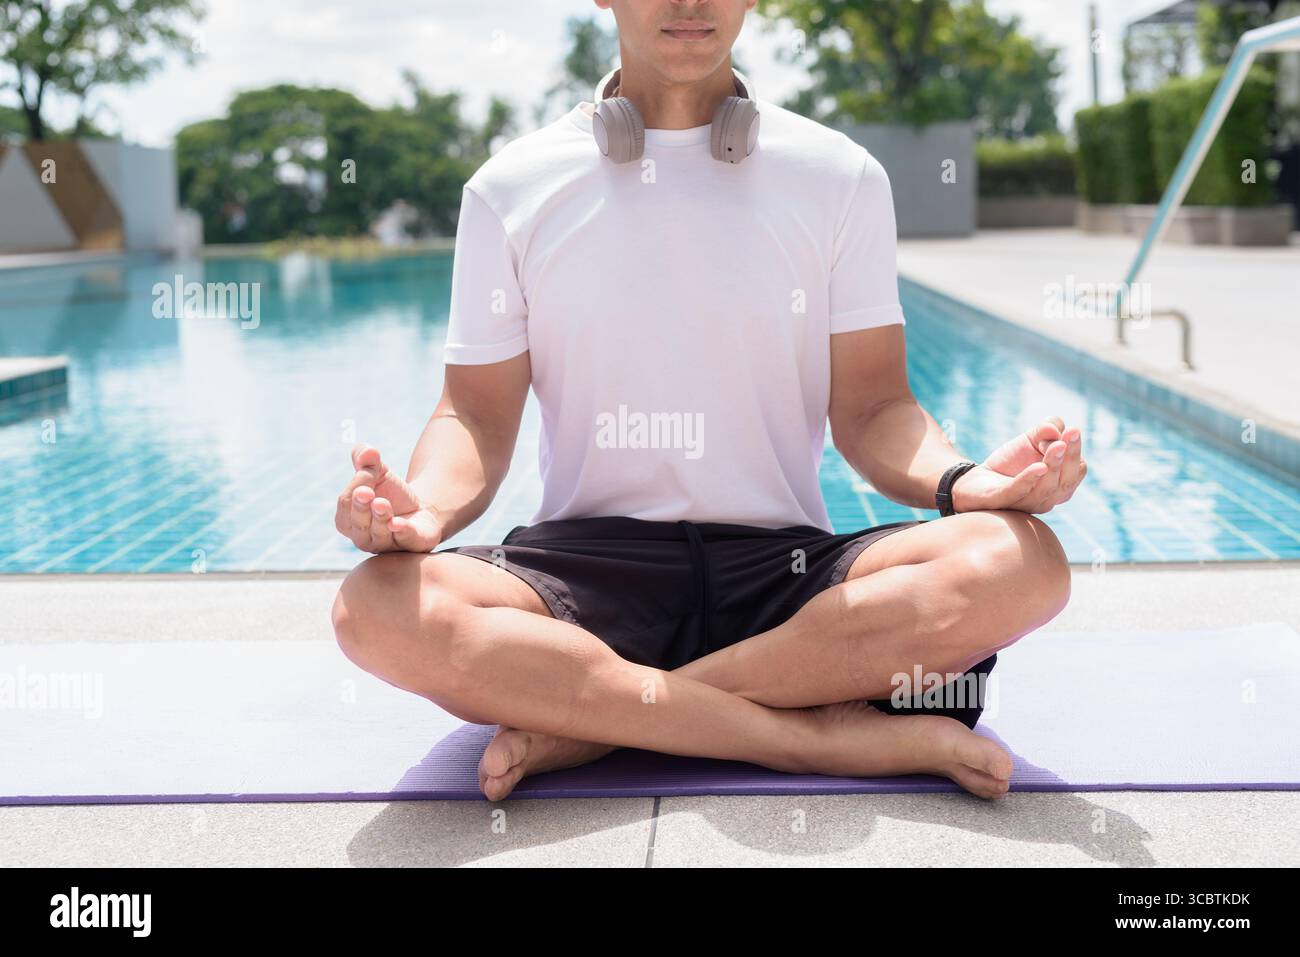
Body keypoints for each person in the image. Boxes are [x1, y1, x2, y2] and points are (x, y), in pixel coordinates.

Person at [331, 0, 1081, 801]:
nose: (691, 4)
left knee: (1023, 561)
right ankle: (802, 735)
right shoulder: (509, 188)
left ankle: (597, 718)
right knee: (375, 608)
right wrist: (426, 514)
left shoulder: (839, 176)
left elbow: (873, 410)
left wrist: (964, 485)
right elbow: (473, 417)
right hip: (584, 574)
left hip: (787, 579)